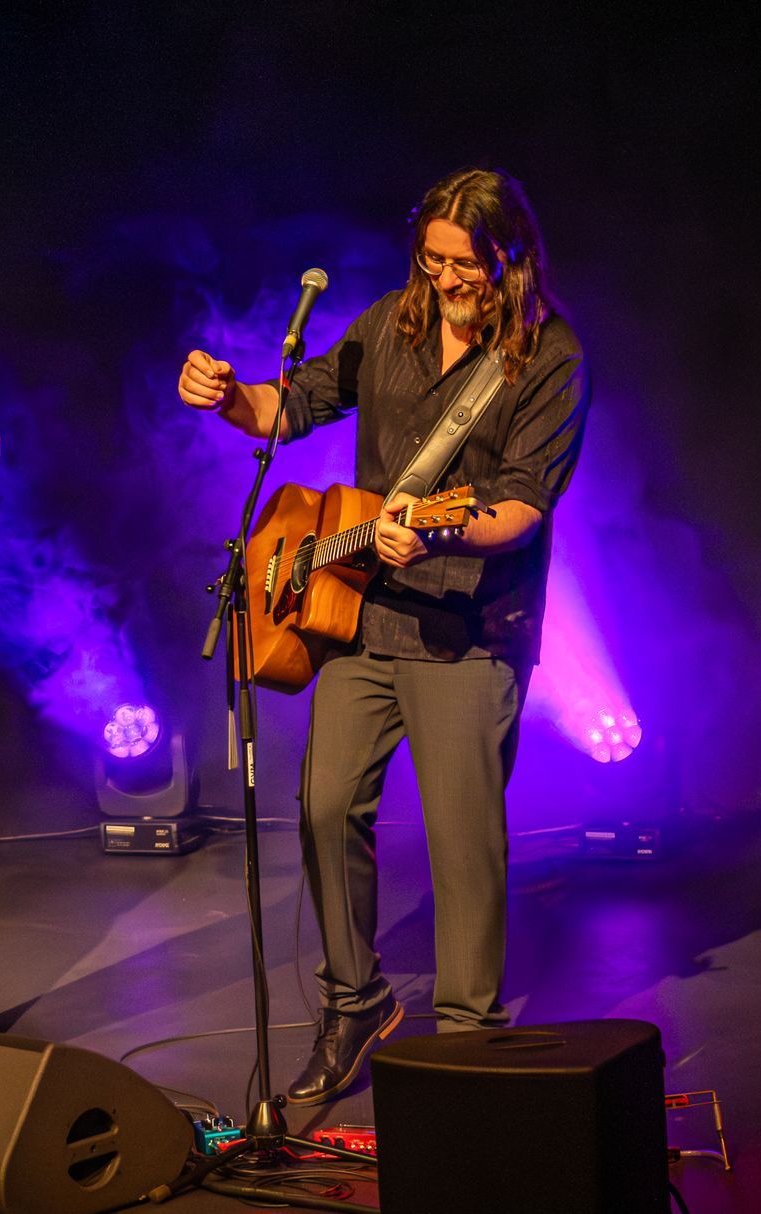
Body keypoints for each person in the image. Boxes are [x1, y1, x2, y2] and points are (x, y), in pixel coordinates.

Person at [176, 168, 588, 1105]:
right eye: (431, 259)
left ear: (510, 257)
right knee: (325, 807)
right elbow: (292, 406)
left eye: (464, 264)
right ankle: (354, 1003)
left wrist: (445, 529)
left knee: (463, 847)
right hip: (365, 617)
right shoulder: (389, 324)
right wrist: (227, 395)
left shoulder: (551, 359)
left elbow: (522, 506)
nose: (444, 279)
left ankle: (470, 1045)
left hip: (469, 632)